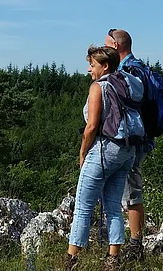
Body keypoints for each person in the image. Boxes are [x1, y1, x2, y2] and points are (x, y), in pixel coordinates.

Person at [65, 46, 144, 271]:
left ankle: (71, 260)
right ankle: (113, 258)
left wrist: (82, 153)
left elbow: (91, 127)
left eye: (92, 65)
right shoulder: (125, 82)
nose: (89, 69)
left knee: (83, 206)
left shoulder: (98, 87)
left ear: (105, 66)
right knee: (113, 206)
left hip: (104, 150)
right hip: (127, 150)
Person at [104, 29, 152, 262]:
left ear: (115, 46)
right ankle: (130, 244)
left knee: (132, 192)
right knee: (129, 190)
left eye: (106, 45)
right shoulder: (138, 67)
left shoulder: (128, 71)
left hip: (131, 141)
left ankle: (135, 246)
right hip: (137, 137)